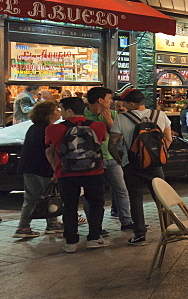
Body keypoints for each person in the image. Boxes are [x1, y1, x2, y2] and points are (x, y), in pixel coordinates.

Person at [109, 90, 173, 247]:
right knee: (162, 198)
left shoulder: (122, 118)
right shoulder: (160, 115)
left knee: (136, 198)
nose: (122, 105)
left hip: (132, 165)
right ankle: (170, 229)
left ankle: (139, 235)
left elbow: (113, 142)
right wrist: (156, 155)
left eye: (124, 103)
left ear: (131, 104)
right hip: (155, 165)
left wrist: (120, 160)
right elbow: (168, 139)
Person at [45, 96, 107, 252]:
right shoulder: (98, 126)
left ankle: (71, 242)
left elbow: (49, 150)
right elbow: (100, 144)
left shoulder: (53, 129)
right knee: (96, 204)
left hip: (66, 173)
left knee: (70, 207)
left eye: (61, 109)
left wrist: (55, 169)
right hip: (94, 171)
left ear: (69, 110)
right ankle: (94, 237)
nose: (60, 112)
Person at [13, 100, 63, 239]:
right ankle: (53, 223)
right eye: (56, 110)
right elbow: (49, 151)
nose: (59, 111)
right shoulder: (48, 129)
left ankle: (23, 226)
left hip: (28, 167)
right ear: (49, 115)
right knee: (51, 196)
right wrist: (55, 169)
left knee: (31, 198)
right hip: (43, 167)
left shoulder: (33, 128)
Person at [84, 87, 132, 231]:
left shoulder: (113, 114)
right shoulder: (83, 116)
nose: (111, 102)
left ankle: (126, 221)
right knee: (92, 194)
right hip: (91, 161)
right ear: (100, 100)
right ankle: (95, 226)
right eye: (109, 99)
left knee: (121, 190)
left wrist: (108, 120)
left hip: (112, 159)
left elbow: (119, 135)